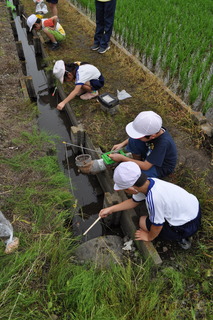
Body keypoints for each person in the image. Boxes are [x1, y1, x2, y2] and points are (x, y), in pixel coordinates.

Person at [99, 162, 201, 249]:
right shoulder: (149, 182)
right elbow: (133, 202)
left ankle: (181, 237)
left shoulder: (153, 198)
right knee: (149, 218)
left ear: (131, 189)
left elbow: (157, 225)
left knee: (142, 222)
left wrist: (149, 237)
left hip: (186, 225)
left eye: (124, 189)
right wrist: (111, 209)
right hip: (194, 209)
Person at [109, 111, 177, 178]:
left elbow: (146, 166)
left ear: (152, 136)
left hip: (159, 167)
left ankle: (138, 167)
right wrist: (122, 144)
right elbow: (135, 138)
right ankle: (138, 163)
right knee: (133, 140)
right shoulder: (152, 129)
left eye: (140, 137)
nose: (138, 138)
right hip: (149, 151)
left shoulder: (163, 143)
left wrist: (122, 158)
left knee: (134, 176)